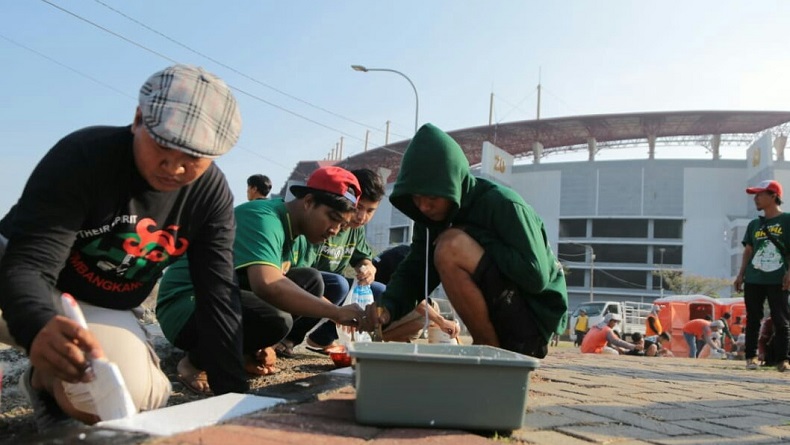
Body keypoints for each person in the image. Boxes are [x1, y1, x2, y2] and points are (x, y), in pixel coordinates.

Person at [0, 65, 245, 430]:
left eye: (192, 158)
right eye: (163, 144)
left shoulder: (209, 196)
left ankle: (46, 384)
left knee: (138, 398)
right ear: (137, 120)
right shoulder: (85, 156)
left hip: (96, 302)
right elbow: (30, 265)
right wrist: (37, 325)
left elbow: (218, 296)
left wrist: (234, 404)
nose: (174, 167)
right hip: (15, 277)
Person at [361, 123, 568, 358]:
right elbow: (416, 271)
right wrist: (386, 308)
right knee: (447, 244)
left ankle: (489, 351)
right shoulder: (429, 219)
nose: (424, 207)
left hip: (532, 326)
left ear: (453, 183)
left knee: (451, 245)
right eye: (416, 199)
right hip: (505, 315)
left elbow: (535, 276)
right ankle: (488, 347)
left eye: (431, 197)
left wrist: (472, 233)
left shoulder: (503, 204)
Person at [157, 166, 366, 392]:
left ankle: (246, 351)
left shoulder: (305, 237)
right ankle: (195, 362)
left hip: (223, 299)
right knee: (277, 320)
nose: (335, 230)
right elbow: (268, 285)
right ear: (308, 202)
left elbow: (297, 289)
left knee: (311, 280)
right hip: (186, 305)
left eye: (342, 225)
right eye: (332, 218)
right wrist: (335, 312)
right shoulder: (263, 218)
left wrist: (345, 315)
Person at [289, 168, 387, 353]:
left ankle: (321, 339)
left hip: (335, 288)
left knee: (379, 291)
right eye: (358, 208)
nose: (361, 217)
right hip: (310, 284)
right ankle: (289, 338)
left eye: (370, 211)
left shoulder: (356, 229)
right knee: (338, 284)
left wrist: (367, 268)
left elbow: (362, 257)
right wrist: (336, 312)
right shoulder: (317, 222)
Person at [734, 179, 790, 372]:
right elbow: (748, 250)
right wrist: (741, 274)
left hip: (778, 278)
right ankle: (751, 358)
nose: (756, 199)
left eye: (760, 194)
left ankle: (783, 360)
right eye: (755, 195)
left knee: (780, 319)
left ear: (774, 196)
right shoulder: (754, 225)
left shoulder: (787, 220)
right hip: (754, 278)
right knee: (753, 318)